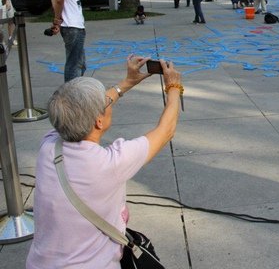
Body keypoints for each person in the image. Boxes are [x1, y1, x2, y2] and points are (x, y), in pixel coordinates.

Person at [26, 57, 182, 268]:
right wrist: (173, 87)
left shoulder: (49, 144)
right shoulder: (109, 164)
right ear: (98, 121)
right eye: (105, 101)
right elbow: (165, 131)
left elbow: (75, 109)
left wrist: (127, 82)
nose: (109, 101)